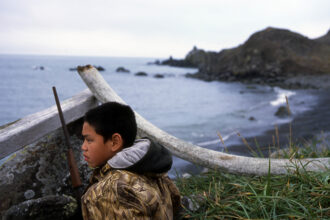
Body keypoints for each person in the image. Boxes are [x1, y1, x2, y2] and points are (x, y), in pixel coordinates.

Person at [80, 102, 181, 219]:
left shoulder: (111, 191)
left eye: (89, 140)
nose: (83, 147)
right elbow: (176, 205)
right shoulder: (155, 171)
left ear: (115, 142)